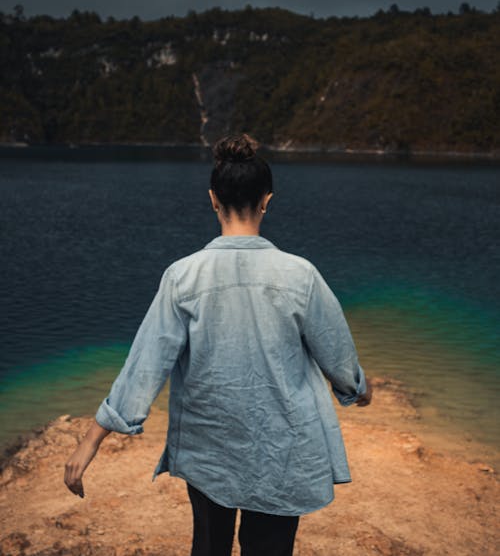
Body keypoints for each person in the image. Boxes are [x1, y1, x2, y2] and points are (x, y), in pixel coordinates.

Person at [64, 133, 372, 556]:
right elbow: (336, 354)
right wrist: (357, 390)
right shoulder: (300, 275)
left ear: (213, 199)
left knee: (208, 547)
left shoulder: (182, 276)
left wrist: (92, 438)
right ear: (267, 200)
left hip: (210, 448)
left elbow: (146, 365)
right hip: (281, 449)